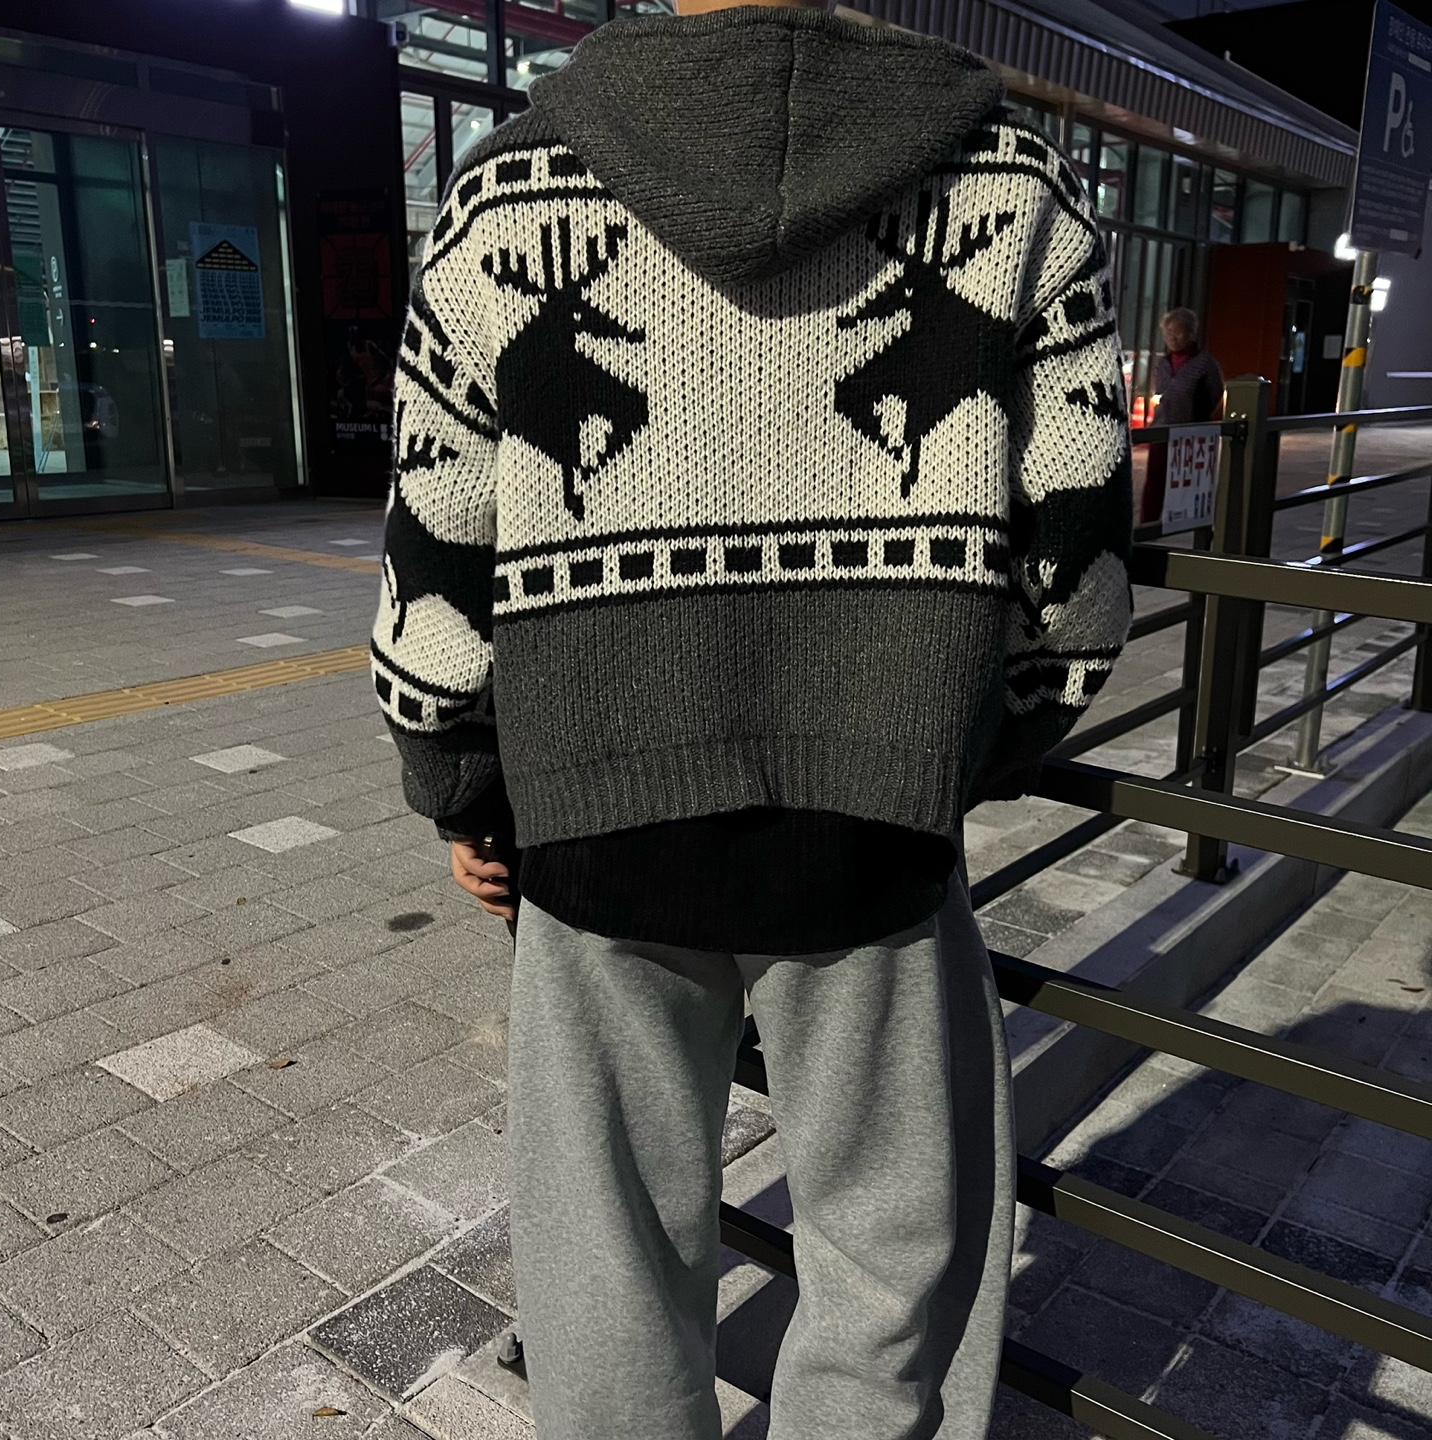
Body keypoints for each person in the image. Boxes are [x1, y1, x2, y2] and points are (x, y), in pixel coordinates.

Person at [370, 1, 1132, 1436]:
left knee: (605, 1256)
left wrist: (462, 783)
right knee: (894, 1255)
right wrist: (967, 739)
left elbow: (437, 531)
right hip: (877, 827)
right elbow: (1077, 548)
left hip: (593, 823)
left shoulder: (503, 189)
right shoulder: (1009, 180)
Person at [1138, 306, 1225, 524]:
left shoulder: (1205, 363)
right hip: (1162, 428)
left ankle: (1185, 522)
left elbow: (1216, 393)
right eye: (1168, 333)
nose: (1172, 337)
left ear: (1190, 333)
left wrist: (1199, 415)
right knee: (1155, 479)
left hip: (1190, 431)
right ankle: (1148, 524)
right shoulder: (1162, 364)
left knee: (1187, 481)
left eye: (1177, 332)